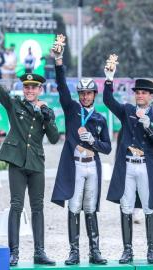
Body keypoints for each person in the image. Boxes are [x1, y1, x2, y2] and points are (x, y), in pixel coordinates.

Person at [0, 40, 59, 266]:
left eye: (34, 87)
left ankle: (39, 252)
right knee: (16, 205)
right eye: (27, 87)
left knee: (38, 208)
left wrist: (48, 116)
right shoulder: (15, 105)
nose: (30, 90)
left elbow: (53, 137)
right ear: (24, 89)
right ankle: (14, 253)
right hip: (17, 163)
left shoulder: (45, 111)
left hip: (37, 164)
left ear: (40, 90)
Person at [50, 35, 111, 266]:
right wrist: (59, 61)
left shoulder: (100, 118)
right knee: (74, 206)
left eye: (89, 93)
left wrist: (93, 142)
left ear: (94, 95)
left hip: (92, 167)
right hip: (74, 164)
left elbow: (107, 148)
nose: (85, 96)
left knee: (90, 207)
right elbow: (62, 87)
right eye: (82, 93)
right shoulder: (72, 108)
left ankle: (94, 251)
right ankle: (73, 251)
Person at [103, 57, 153, 264]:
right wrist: (109, 79)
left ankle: (151, 250)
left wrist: (149, 126)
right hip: (128, 165)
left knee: (149, 207)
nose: (140, 95)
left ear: (151, 96)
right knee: (126, 206)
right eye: (137, 92)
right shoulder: (127, 111)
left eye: (144, 92)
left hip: (145, 166)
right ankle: (127, 250)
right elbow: (108, 101)